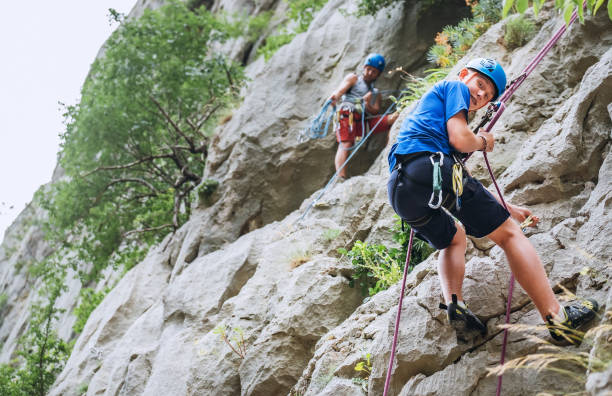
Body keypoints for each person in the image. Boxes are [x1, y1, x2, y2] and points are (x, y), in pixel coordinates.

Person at [386, 58, 598, 344]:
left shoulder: (436, 119)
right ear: (465, 75)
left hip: (402, 189)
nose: (482, 95)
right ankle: (558, 318)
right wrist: (483, 141)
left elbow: (464, 182)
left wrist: (507, 208)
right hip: (433, 169)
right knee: (510, 234)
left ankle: (456, 305)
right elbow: (461, 141)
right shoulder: (453, 87)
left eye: (488, 95)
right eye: (481, 84)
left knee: (454, 238)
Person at [329, 53, 399, 181]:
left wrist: (366, 104)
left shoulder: (375, 92)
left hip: (362, 120)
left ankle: (389, 152)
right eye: (368, 69)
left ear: (378, 74)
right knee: (346, 143)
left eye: (374, 71)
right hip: (347, 114)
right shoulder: (353, 78)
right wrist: (334, 97)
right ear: (364, 67)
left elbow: (375, 110)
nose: (370, 73)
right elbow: (340, 91)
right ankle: (340, 177)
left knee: (392, 119)